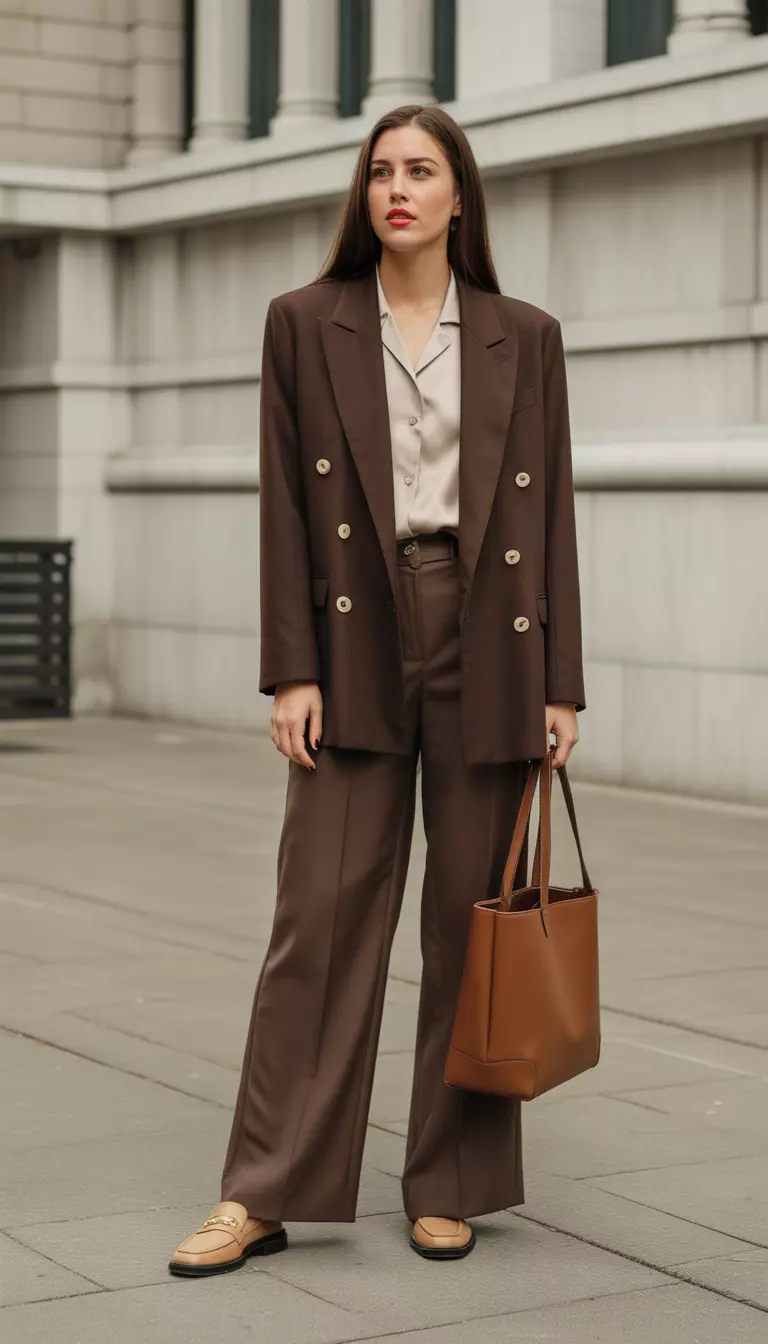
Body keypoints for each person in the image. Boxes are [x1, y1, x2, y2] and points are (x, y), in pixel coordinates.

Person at [169, 102, 585, 1276]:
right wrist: (289, 668)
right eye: (381, 171)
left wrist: (560, 683)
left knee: (471, 921)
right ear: (364, 196)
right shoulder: (304, 325)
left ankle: (449, 1178)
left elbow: (551, 513)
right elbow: (283, 507)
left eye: (421, 170)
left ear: (461, 195)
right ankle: (263, 1189)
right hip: (353, 634)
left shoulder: (524, 335)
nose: (397, 188)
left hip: (486, 632)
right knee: (322, 920)